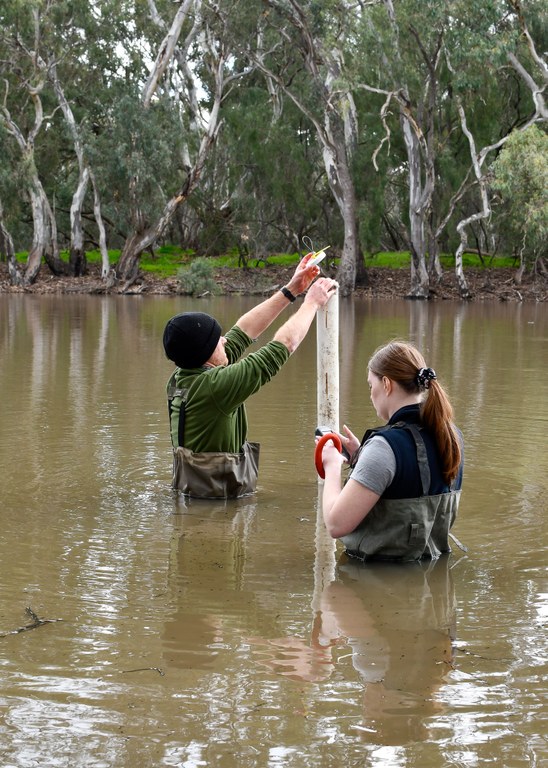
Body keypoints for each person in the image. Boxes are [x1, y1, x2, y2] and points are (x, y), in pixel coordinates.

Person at [163, 255, 338, 499]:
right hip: (217, 502)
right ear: (205, 354)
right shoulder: (216, 387)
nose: (224, 340)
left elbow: (243, 331)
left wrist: (291, 290)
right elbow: (283, 345)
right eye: (217, 340)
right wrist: (311, 303)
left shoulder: (182, 376)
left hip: (193, 493)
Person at [319, 340, 464, 561]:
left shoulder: (383, 448)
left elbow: (335, 524)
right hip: (433, 581)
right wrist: (360, 457)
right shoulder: (452, 436)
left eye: (371, 385)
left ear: (386, 384)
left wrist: (332, 465)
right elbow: (410, 480)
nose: (370, 395)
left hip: (373, 582)